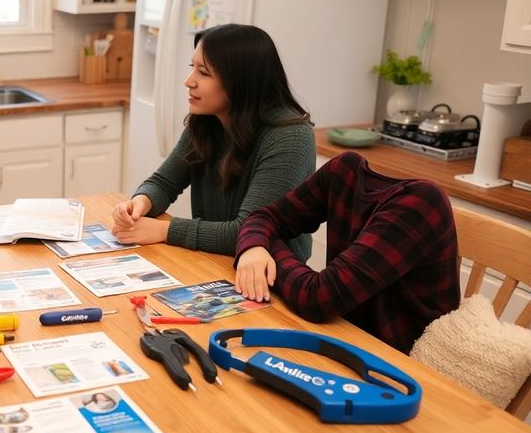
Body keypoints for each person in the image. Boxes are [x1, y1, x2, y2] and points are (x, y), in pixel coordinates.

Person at [112, 24, 314, 260]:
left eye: (204, 73)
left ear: (241, 80)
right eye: (192, 68)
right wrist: (139, 203)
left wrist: (165, 229)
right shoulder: (207, 121)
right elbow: (164, 182)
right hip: (215, 260)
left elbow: (248, 232)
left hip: (273, 278)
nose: (189, 81)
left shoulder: (290, 137)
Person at [234, 152, 460, 353]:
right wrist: (255, 247)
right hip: (346, 336)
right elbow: (264, 217)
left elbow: (316, 298)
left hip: (404, 365)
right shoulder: (344, 170)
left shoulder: (420, 203)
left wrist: (266, 247)